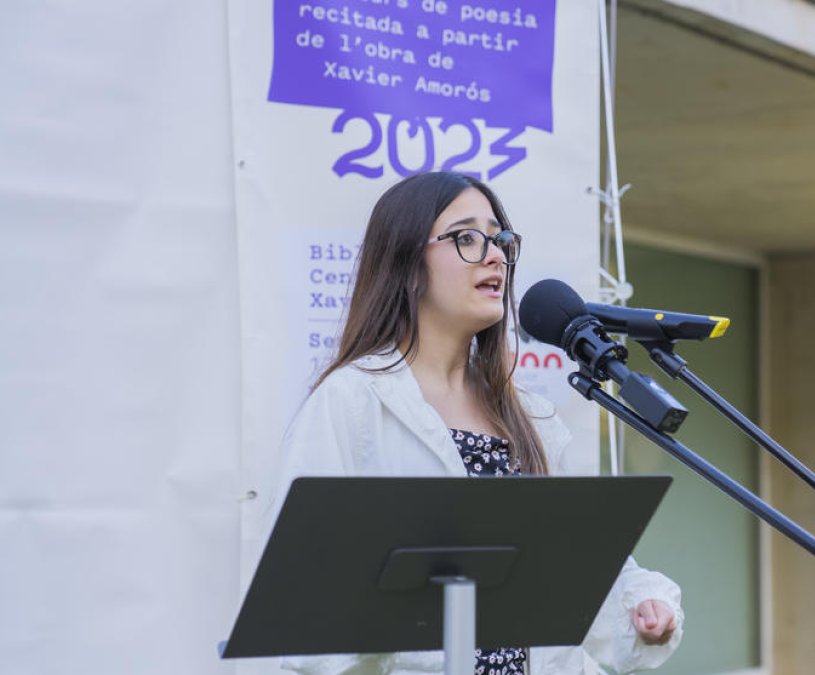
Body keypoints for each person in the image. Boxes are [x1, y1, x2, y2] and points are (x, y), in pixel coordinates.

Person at [272, 171, 683, 675]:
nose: (495, 257)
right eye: (466, 238)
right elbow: (304, 588)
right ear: (407, 263)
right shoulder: (352, 401)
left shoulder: (529, 414)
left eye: (500, 239)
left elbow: (575, 567)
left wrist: (642, 606)